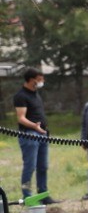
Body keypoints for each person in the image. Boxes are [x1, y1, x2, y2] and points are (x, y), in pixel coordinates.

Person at [12, 67, 55, 204]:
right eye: (40, 79)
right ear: (31, 80)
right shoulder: (21, 96)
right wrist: (35, 126)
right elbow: (21, 118)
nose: (42, 81)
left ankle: (43, 194)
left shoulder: (36, 94)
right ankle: (27, 196)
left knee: (43, 166)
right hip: (29, 135)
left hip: (42, 134)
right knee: (30, 166)